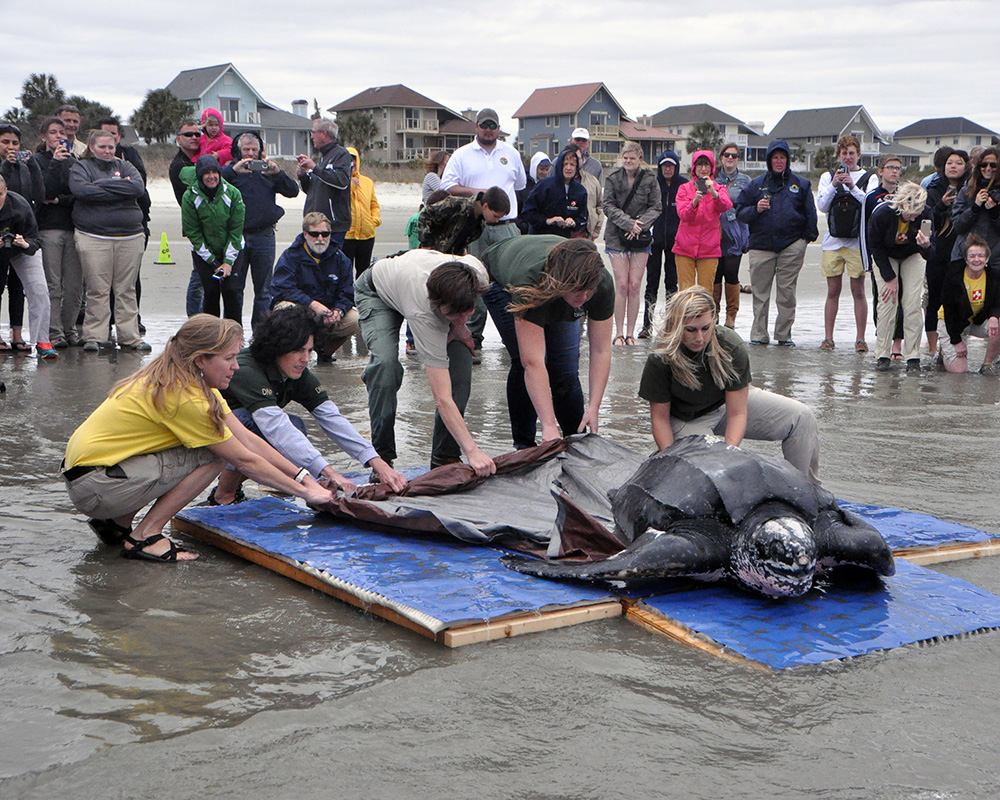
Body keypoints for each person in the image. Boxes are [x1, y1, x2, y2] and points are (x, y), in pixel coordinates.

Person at [62, 315, 336, 562]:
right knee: (215, 453)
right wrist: (305, 493)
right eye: (228, 358)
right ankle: (146, 535)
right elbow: (244, 459)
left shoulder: (189, 380)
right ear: (201, 359)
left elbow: (250, 441)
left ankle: (116, 524)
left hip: (92, 477)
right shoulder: (186, 396)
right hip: (96, 487)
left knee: (215, 444)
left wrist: (304, 477)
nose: (236, 367)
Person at [213, 304, 407, 503]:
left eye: (309, 351)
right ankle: (224, 493)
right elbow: (277, 428)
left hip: (240, 436)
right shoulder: (246, 369)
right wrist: (328, 472)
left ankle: (249, 484)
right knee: (259, 427)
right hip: (212, 435)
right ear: (277, 347)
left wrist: (377, 463)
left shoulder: (298, 372)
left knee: (296, 426)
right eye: (298, 351)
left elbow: (332, 418)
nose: (305, 359)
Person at [638, 286, 820, 484]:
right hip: (688, 420)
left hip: (727, 404)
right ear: (676, 326)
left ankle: (804, 488)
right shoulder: (661, 358)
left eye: (706, 328)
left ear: (714, 320)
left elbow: (737, 413)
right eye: (691, 330)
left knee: (802, 417)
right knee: (703, 470)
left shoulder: (730, 345)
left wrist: (727, 455)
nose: (699, 338)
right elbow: (660, 419)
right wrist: (671, 459)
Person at [354, 249, 496, 475]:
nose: (462, 320)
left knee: (461, 365)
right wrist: (473, 451)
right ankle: (382, 459)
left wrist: (459, 325)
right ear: (438, 308)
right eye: (454, 316)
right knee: (385, 366)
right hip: (377, 291)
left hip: (418, 277)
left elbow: (463, 308)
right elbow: (441, 397)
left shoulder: (475, 273)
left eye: (467, 313)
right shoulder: (423, 312)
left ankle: (444, 456)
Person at [481, 234, 613, 447]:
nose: (583, 298)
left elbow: (601, 350)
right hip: (502, 280)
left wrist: (594, 407)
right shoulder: (530, 282)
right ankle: (524, 444)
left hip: (557, 281)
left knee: (565, 370)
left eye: (589, 292)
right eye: (577, 291)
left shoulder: (602, 283)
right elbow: (532, 362)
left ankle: (575, 439)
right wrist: (549, 425)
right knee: (522, 360)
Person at [440, 107, 526, 356]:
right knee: (475, 283)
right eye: (484, 125)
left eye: (493, 126)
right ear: (476, 127)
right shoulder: (461, 154)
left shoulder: (511, 153)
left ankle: (514, 338)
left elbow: (520, 183)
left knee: (512, 283)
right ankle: (473, 338)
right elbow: (447, 186)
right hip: (476, 227)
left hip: (507, 227)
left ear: (499, 129)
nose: (488, 130)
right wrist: (479, 193)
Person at [69, 130, 148, 352]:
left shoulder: (126, 166)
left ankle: (130, 337)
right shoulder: (81, 167)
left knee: (126, 289)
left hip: (130, 236)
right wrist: (118, 187)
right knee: (98, 288)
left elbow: (137, 188)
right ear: (92, 147)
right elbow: (82, 191)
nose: (107, 151)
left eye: (111, 147)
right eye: (102, 147)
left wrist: (101, 185)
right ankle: (95, 336)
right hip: (93, 236)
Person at [735, 139, 818, 346]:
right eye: (775, 157)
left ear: (788, 159)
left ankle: (784, 334)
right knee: (760, 294)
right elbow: (740, 213)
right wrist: (756, 209)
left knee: (786, 293)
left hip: (792, 245)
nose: (779, 161)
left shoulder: (802, 184)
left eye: (782, 157)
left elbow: (811, 215)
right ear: (769, 160)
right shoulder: (756, 185)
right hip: (761, 246)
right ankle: (759, 334)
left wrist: (804, 241)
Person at [222, 131, 300, 331]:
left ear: (260, 151)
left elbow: (293, 191)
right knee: (235, 289)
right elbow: (211, 186)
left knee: (264, 290)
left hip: (264, 235)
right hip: (236, 236)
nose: (250, 154)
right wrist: (233, 171)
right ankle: (233, 333)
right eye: (246, 150)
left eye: (254, 150)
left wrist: (277, 172)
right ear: (239, 151)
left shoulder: (268, 172)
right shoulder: (230, 171)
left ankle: (260, 333)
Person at [270, 212, 361, 362]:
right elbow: (281, 288)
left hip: (328, 313)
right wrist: (312, 305)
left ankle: (325, 351)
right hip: (301, 312)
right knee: (283, 310)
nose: (320, 238)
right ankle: (290, 354)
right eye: (315, 234)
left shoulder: (341, 259)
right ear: (305, 234)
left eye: (325, 234)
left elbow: (347, 292)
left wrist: (339, 310)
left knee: (356, 319)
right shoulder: (290, 256)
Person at [815, 135, 872, 352]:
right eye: (844, 153)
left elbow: (869, 203)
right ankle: (828, 338)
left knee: (858, 290)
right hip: (833, 242)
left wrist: (852, 186)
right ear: (838, 155)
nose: (847, 157)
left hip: (857, 242)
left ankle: (860, 339)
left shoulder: (869, 177)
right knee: (832, 290)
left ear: (858, 154)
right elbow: (822, 205)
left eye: (851, 153)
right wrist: (834, 184)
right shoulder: (826, 176)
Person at [867, 182, 931, 371]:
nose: (912, 217)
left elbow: (929, 254)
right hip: (885, 255)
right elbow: (875, 247)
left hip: (913, 254)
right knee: (887, 301)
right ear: (900, 204)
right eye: (909, 213)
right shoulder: (882, 214)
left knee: (912, 302)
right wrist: (889, 278)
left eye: (916, 213)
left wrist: (926, 245)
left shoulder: (925, 214)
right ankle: (883, 354)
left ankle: (913, 356)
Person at [603, 142, 661, 345]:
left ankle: (630, 333)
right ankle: (618, 333)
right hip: (615, 235)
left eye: (632, 158)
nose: (628, 161)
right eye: (625, 157)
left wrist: (639, 225)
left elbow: (656, 206)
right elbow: (607, 205)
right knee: (622, 285)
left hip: (641, 237)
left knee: (635, 285)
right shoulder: (612, 178)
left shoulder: (650, 179)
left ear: (640, 159)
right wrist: (628, 224)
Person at [181, 155, 247, 325]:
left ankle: (235, 335)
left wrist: (227, 262)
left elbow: (236, 231)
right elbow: (193, 232)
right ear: (200, 176)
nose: (211, 177)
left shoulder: (233, 194)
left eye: (214, 172)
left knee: (231, 290)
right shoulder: (189, 197)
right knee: (210, 291)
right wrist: (212, 261)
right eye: (206, 173)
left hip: (232, 249)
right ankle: (211, 335)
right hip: (204, 252)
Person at [35, 117, 82, 349]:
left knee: (74, 285)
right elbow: (44, 191)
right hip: (49, 229)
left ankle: (70, 328)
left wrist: (58, 200)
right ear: (44, 137)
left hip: (73, 227)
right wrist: (54, 163)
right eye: (52, 132)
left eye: (61, 132)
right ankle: (54, 332)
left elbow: (78, 194)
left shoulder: (74, 161)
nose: (57, 136)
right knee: (53, 285)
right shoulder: (38, 161)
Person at [0, 122, 45, 354]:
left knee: (18, 287)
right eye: (5, 142)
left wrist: (33, 165)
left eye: (15, 143)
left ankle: (17, 333)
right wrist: (5, 166)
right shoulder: (5, 166)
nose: (10, 147)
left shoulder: (24, 166)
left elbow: (38, 195)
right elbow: (3, 190)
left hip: (22, 230)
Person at [0, 175, 56, 358]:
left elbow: (35, 240)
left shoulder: (20, 206)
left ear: (6, 191)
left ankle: (42, 340)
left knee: (39, 290)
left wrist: (24, 244)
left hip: (21, 249)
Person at [924, 148, 968, 356]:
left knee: (957, 300)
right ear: (943, 166)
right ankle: (933, 347)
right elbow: (925, 219)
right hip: (938, 252)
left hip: (962, 252)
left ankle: (952, 345)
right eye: (950, 162)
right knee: (934, 299)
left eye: (959, 162)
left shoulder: (971, 189)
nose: (953, 166)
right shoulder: (933, 189)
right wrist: (941, 204)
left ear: (966, 166)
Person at [860, 155, 905, 359]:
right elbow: (864, 230)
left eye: (897, 168)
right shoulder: (871, 197)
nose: (894, 171)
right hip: (879, 256)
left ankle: (897, 345)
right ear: (881, 171)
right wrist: (866, 261)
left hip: (903, 254)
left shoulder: (905, 195)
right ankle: (882, 343)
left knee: (902, 300)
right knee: (883, 299)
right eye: (890, 167)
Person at [640, 150, 687, 339]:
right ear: (660, 167)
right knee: (651, 284)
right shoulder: (653, 183)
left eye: (671, 165)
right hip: (654, 241)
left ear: (676, 167)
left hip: (676, 243)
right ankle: (646, 325)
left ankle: (671, 326)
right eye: (664, 166)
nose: (668, 169)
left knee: (671, 285)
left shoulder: (684, 185)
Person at [938, 235, 1000, 374]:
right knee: (959, 372)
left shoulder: (994, 276)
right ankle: (944, 351)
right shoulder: (954, 276)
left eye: (980, 256)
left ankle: (987, 365)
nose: (976, 260)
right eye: (972, 256)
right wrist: (956, 341)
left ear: (987, 259)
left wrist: (994, 317)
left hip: (977, 320)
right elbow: (949, 311)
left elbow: (998, 302)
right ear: (966, 259)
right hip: (952, 323)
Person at [673, 149, 732, 291]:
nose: (703, 168)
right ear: (694, 168)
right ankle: (686, 314)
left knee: (705, 291)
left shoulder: (719, 188)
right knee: (686, 291)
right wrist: (694, 203)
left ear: (712, 167)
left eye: (707, 165)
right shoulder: (684, 188)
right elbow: (683, 215)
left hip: (709, 248)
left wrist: (714, 193)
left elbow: (726, 205)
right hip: (684, 247)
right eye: (700, 165)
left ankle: (706, 314)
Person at [169, 120, 207, 317]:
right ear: (178, 139)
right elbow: (205, 181)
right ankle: (194, 318)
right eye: (188, 135)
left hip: (210, 223)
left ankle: (204, 318)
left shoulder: (197, 160)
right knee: (200, 275)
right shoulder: (180, 165)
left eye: (197, 134)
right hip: (196, 225)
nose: (194, 137)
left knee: (208, 275)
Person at [297, 118, 353, 245]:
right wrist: (302, 176)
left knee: (330, 262)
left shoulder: (341, 154)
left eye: (313, 132)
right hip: (314, 224)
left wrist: (315, 168)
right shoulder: (323, 158)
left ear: (323, 134)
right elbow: (311, 190)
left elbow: (342, 181)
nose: (311, 136)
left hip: (333, 226)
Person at [714, 142, 751, 328]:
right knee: (714, 275)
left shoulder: (746, 181)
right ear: (721, 157)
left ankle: (731, 317)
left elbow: (750, 208)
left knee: (731, 274)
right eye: (727, 155)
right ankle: (713, 315)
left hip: (735, 233)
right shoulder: (712, 179)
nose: (730, 158)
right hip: (713, 232)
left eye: (734, 155)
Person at [416, 187, 508, 254]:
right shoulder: (456, 204)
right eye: (495, 216)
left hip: (451, 260)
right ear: (485, 206)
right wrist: (426, 246)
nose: (496, 220)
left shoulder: (480, 224)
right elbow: (425, 216)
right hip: (431, 255)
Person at [520, 148, 588, 238]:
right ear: (560, 165)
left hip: (563, 240)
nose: (569, 168)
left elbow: (583, 216)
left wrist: (574, 222)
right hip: (539, 237)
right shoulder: (544, 186)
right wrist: (548, 220)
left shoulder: (580, 191)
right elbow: (527, 212)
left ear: (576, 168)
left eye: (572, 165)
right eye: (565, 164)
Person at [950, 147, 1000, 267]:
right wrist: (974, 208)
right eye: (984, 165)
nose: (988, 169)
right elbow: (957, 226)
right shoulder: (966, 191)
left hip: (994, 259)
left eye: (993, 165)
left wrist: (995, 212)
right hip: (965, 256)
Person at [343, 146, 381, 277]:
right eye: (347, 160)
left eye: (353, 160)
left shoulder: (367, 182)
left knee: (363, 271)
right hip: (347, 234)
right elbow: (339, 202)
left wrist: (374, 220)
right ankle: (346, 296)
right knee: (345, 271)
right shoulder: (340, 182)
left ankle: (361, 296)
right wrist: (350, 185)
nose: (351, 163)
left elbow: (374, 204)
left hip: (366, 234)